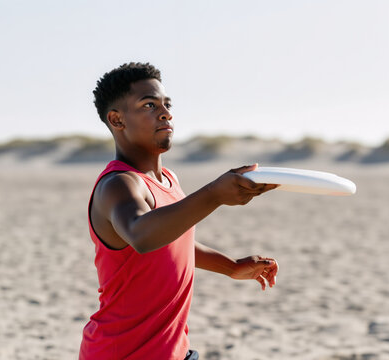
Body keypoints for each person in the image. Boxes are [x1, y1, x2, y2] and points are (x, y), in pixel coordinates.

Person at [79, 62, 279, 360]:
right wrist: (215, 194)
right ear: (117, 119)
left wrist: (231, 267)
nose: (166, 113)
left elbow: (172, 240)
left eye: (167, 104)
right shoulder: (118, 185)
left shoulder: (168, 179)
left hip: (175, 351)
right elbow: (142, 235)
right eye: (149, 104)